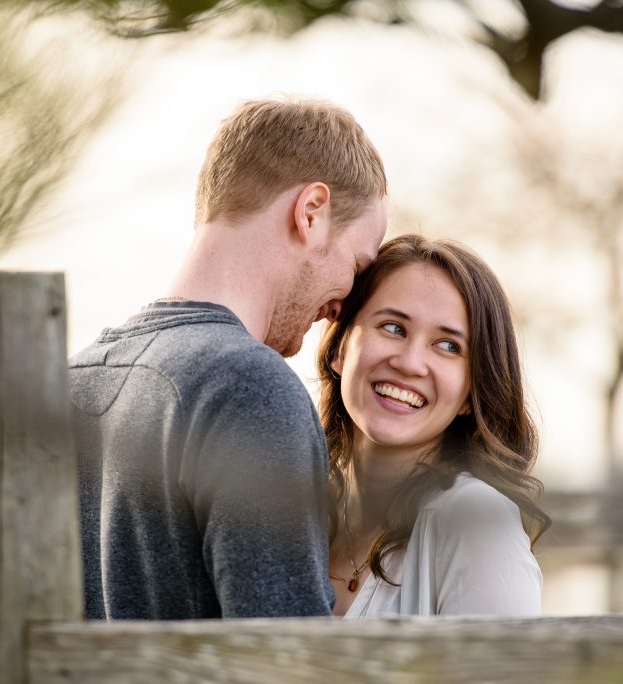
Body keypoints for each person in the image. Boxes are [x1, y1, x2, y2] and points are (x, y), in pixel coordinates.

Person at [69, 98, 388, 619]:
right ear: (311, 212)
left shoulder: (72, 381)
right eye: (357, 263)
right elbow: (283, 663)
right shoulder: (251, 388)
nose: (342, 308)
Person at [317, 234, 551, 617]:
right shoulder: (298, 519)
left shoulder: (475, 522)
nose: (410, 363)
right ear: (341, 348)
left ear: (469, 395)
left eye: (448, 346)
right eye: (393, 328)